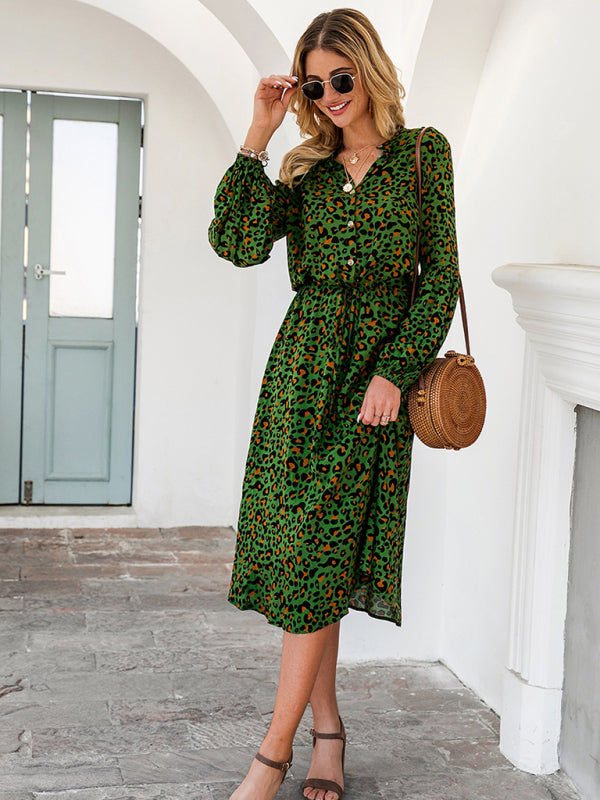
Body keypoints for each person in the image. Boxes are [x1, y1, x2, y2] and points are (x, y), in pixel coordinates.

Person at [208, 8, 460, 800]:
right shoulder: (305, 169)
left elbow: (440, 277)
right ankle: (329, 732)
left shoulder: (423, 155)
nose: (330, 95)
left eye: (340, 78)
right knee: (308, 563)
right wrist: (259, 132)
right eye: (315, 85)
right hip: (300, 378)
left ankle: (271, 756)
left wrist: (394, 372)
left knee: (321, 554)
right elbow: (237, 243)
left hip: (369, 390)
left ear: (369, 68)